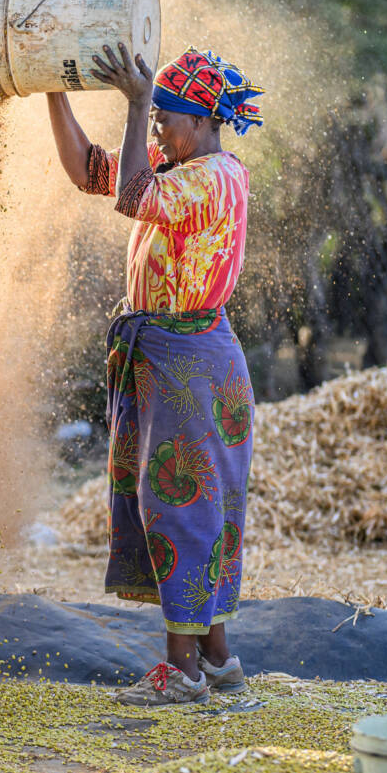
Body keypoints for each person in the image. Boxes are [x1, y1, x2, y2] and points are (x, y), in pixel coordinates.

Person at [47, 46, 266, 705]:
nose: (154, 133)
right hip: (170, 355)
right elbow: (92, 174)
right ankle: (217, 661)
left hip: (190, 360)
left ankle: (182, 673)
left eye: (163, 120)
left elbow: (129, 198)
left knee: (183, 507)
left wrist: (136, 97)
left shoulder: (216, 177)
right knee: (188, 506)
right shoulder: (179, 166)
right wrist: (49, 90)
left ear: (199, 123)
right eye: (153, 121)